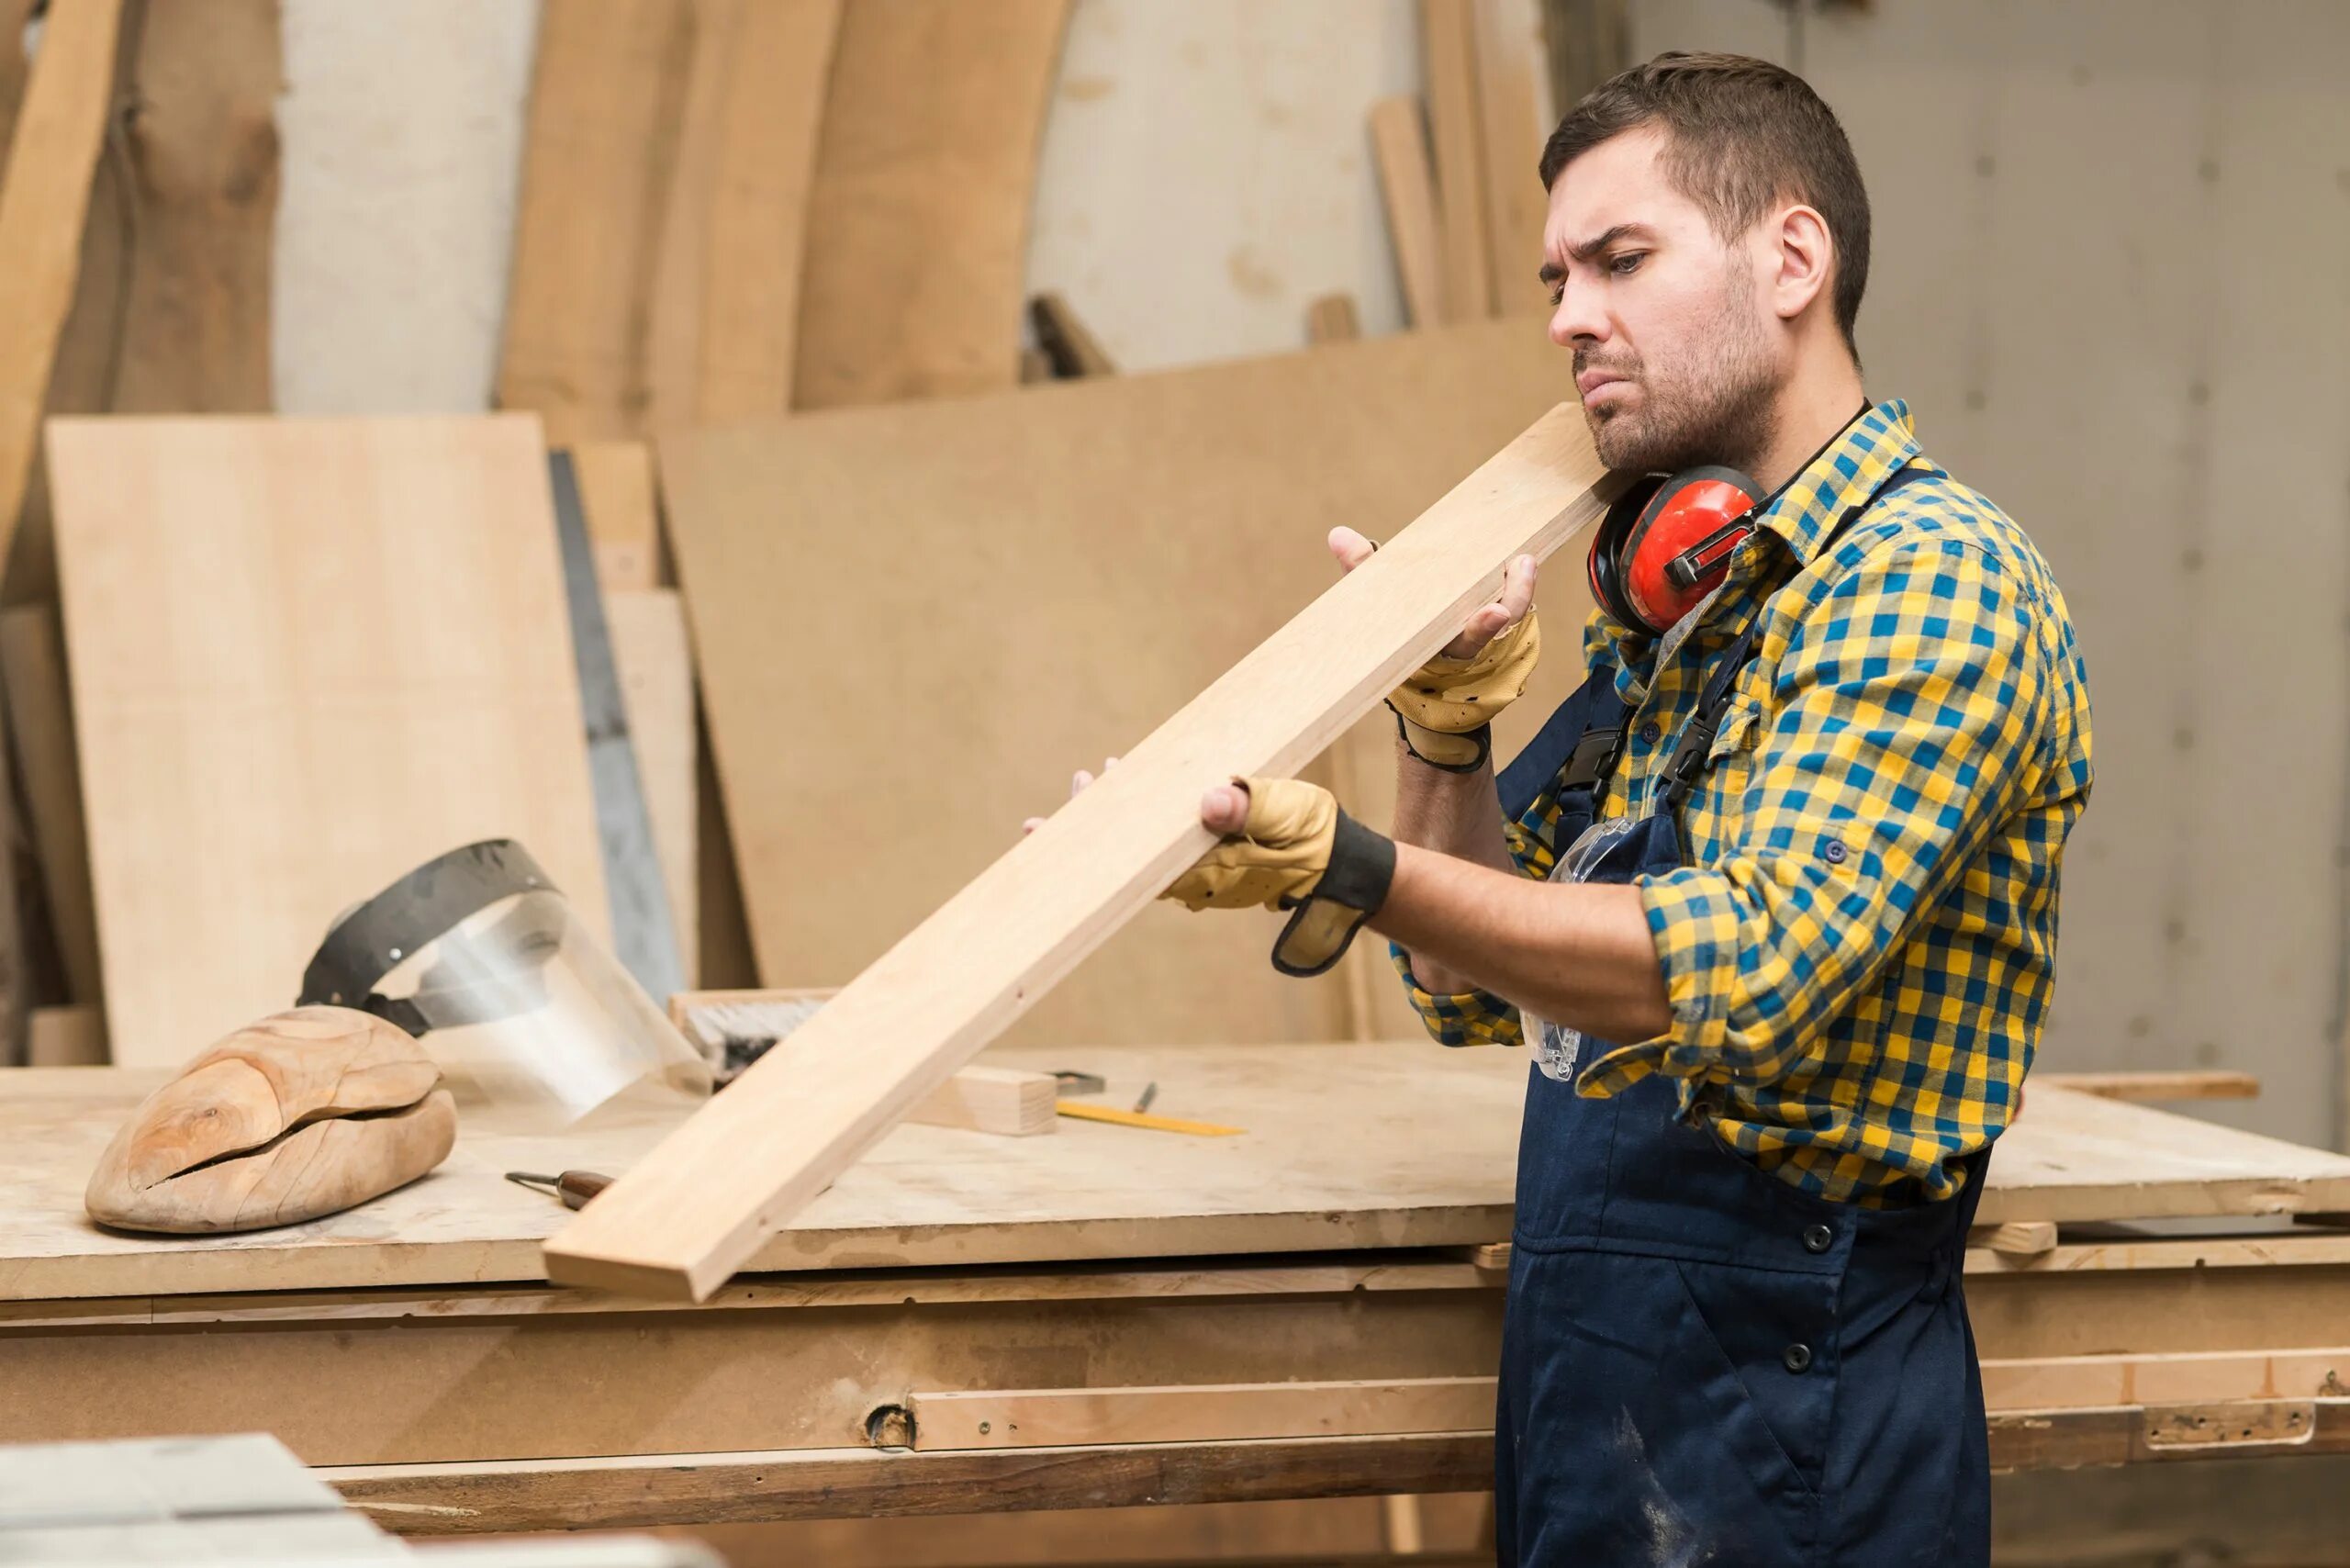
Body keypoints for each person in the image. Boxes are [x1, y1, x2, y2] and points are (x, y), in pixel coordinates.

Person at [1057, 50, 2095, 1566]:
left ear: (1792, 258)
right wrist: (1446, 730)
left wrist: (1346, 861)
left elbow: (1728, 963)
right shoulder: (1687, 606)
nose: (1568, 319)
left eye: (1622, 260)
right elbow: (1477, 989)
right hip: (1598, 1387)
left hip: (1796, 1411)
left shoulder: (1926, 586)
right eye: (1557, 277)